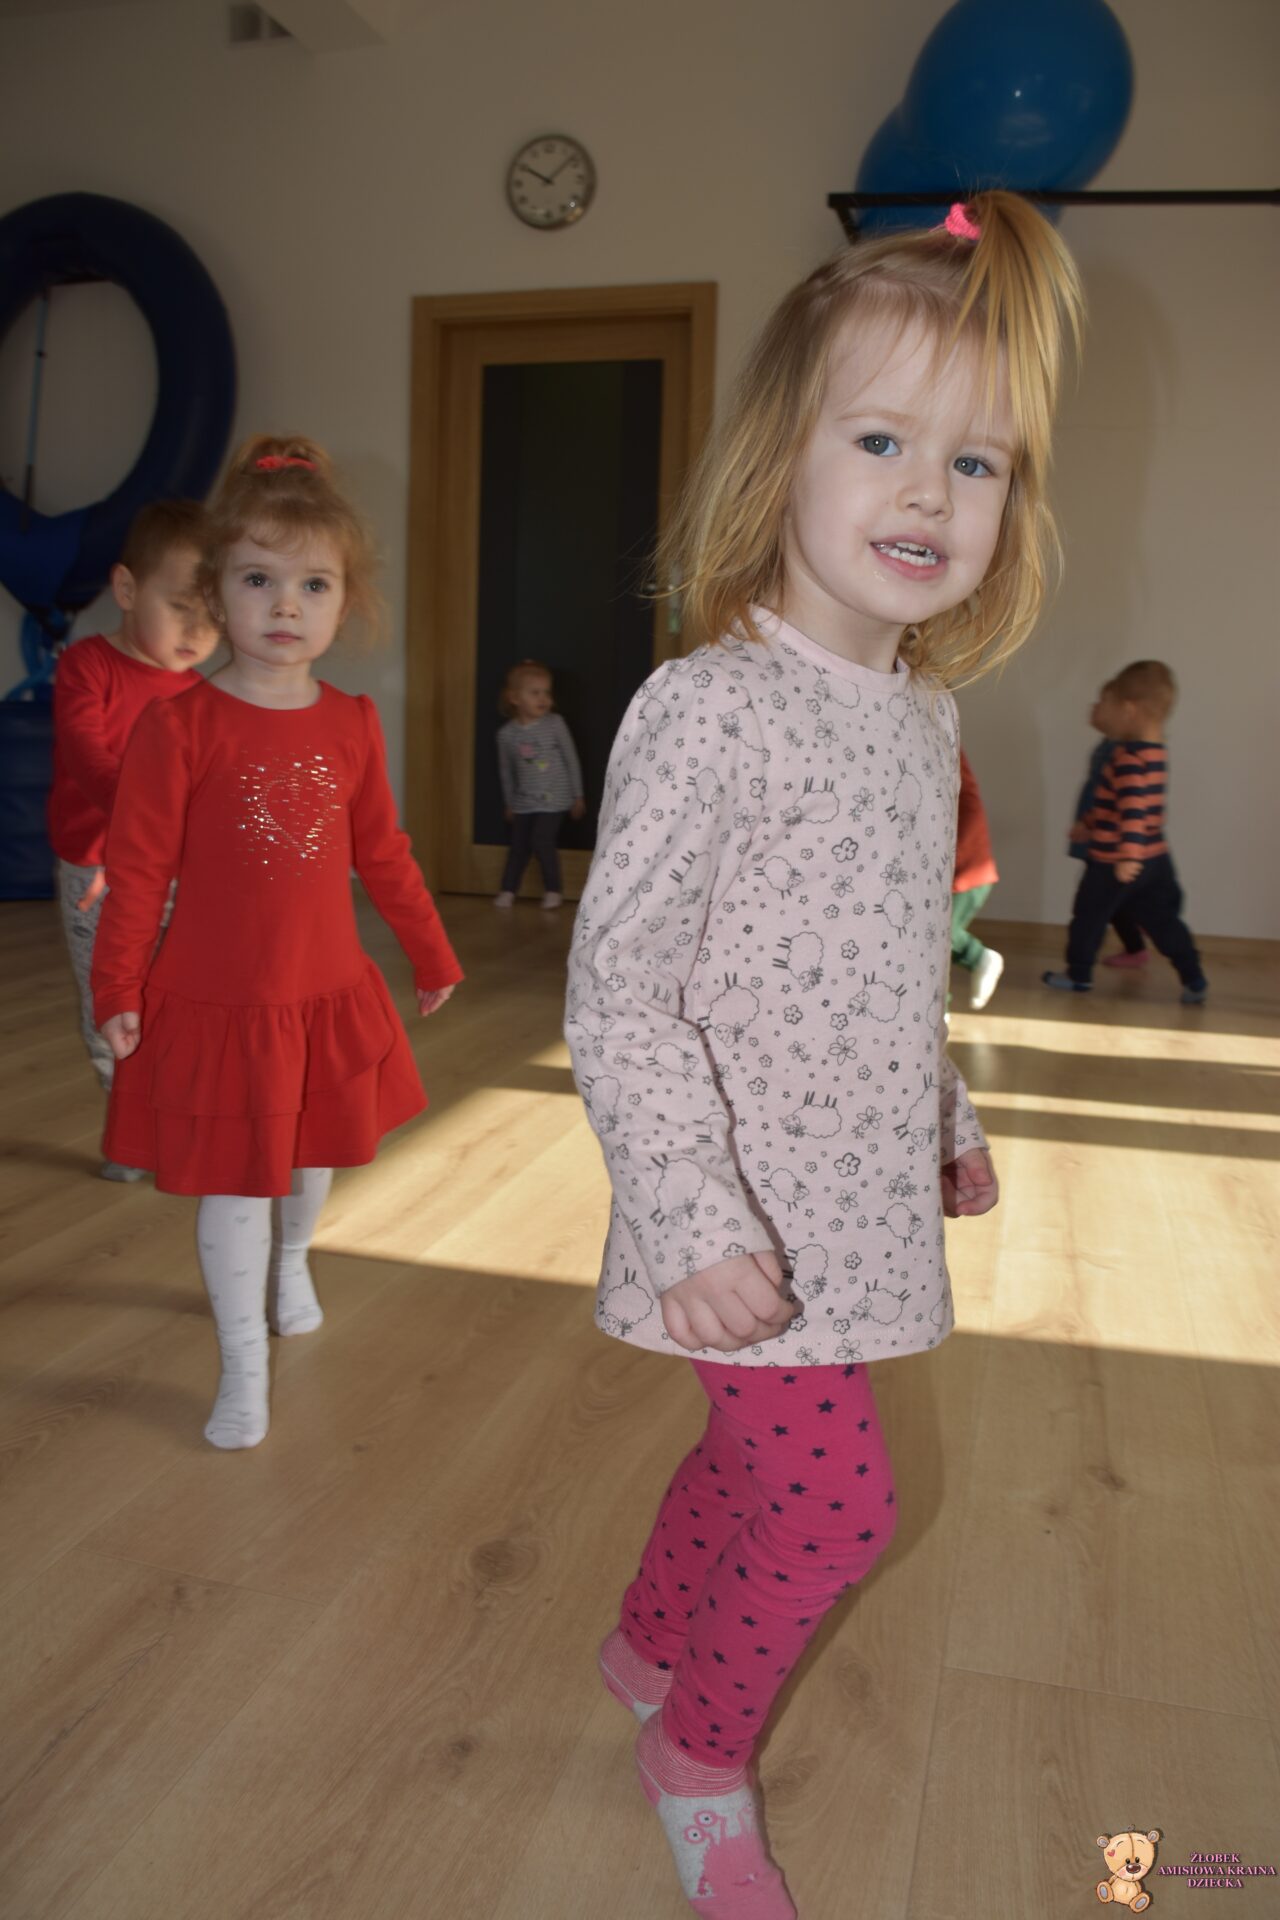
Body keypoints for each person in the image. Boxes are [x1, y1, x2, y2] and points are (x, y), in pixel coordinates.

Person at [566, 194, 1082, 1917]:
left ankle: (650, 1645)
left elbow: (885, 964)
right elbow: (620, 992)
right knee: (835, 1512)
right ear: (781, 455)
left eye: (976, 462)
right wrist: (691, 1214)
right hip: (730, 1208)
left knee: (754, 1464)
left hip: (854, 1196)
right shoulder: (707, 709)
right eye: (881, 442)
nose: (930, 494)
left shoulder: (924, 718)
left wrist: (942, 1109)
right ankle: (697, 1755)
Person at [91, 435, 462, 1450]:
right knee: (236, 1178)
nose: (285, 605)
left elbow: (383, 851)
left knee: (309, 1152)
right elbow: (137, 873)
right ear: (216, 591)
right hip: (218, 1001)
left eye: (312, 584)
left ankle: (294, 1260)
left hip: (321, 988)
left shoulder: (352, 722)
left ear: (346, 603)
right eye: (258, 579)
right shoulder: (179, 728)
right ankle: (242, 1367)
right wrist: (115, 986)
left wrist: (430, 952)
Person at [48, 500, 219, 1178]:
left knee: (176, 995)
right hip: (97, 869)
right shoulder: (86, 666)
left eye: (212, 615)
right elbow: (87, 756)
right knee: (110, 998)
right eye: (181, 607)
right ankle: (129, 1127)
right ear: (126, 589)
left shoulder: (201, 694)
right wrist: (142, 818)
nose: (198, 630)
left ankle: (177, 1110)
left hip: (173, 874)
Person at [1043, 660, 1206, 1003]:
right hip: (1154, 856)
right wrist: (1088, 824)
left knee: (1088, 916)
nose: (1102, 710)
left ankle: (1078, 975)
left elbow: (1132, 810)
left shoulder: (1128, 758)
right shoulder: (1156, 753)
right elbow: (1116, 802)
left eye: (1108, 703)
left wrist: (1127, 855)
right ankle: (1193, 977)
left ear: (1129, 710)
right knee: (1163, 921)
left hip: (1114, 859)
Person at [494, 659, 584, 910]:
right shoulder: (506, 735)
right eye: (535, 693)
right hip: (524, 802)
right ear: (515, 698)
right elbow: (506, 772)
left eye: (546, 692)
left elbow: (571, 759)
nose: (543, 699)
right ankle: (508, 889)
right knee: (518, 847)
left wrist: (578, 795)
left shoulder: (555, 724)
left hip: (555, 799)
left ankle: (553, 890)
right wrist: (510, 802)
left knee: (542, 841)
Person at [1071, 684, 1150, 969]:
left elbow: (1118, 801)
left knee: (1098, 900)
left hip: (1105, 838)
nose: (1094, 707)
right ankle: (1134, 946)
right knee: (1110, 900)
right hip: (1095, 831)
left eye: (1102, 702)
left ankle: (1082, 964)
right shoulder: (1107, 746)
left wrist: (1091, 826)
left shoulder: (1119, 752)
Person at [951, 748, 1002, 1009]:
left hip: (965, 869)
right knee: (936, 938)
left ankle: (978, 957)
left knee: (937, 938)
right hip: (963, 867)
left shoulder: (946, 750)